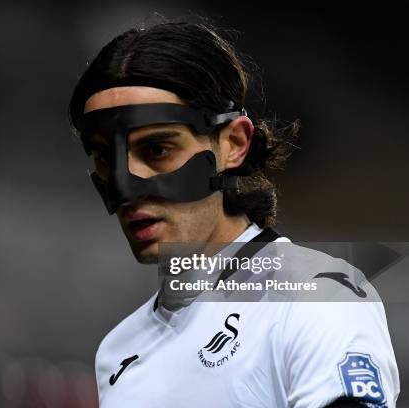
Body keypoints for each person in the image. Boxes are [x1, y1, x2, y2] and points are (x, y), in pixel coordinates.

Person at [68, 18, 400, 407]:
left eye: (157, 149)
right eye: (106, 157)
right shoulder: (117, 351)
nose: (127, 187)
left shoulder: (318, 295)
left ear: (234, 143)